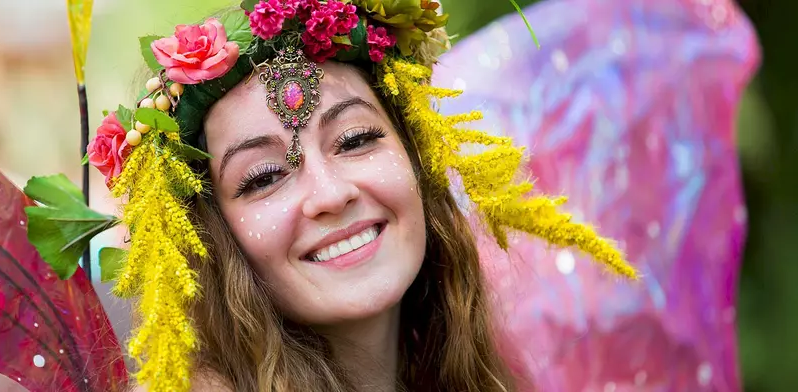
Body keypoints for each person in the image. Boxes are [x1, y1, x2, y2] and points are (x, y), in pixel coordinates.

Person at [62, 1, 636, 390]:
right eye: (263, 177)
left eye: (356, 139)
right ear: (210, 239)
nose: (330, 194)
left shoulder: (496, 372)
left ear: (417, 159)